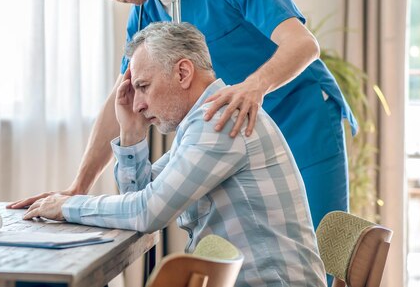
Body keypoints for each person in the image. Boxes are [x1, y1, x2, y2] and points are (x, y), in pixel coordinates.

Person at [8, 0, 357, 230]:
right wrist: (78, 188)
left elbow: (303, 45)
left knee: (321, 245)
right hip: (238, 129)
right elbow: (122, 98)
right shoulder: (144, 12)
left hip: (302, 114)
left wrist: (254, 86)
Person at [23, 22, 327, 287]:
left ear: (183, 72)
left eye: (143, 86)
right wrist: (131, 135)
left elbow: (147, 212)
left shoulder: (219, 121)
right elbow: (143, 198)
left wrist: (67, 206)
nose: (138, 104)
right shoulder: (200, 125)